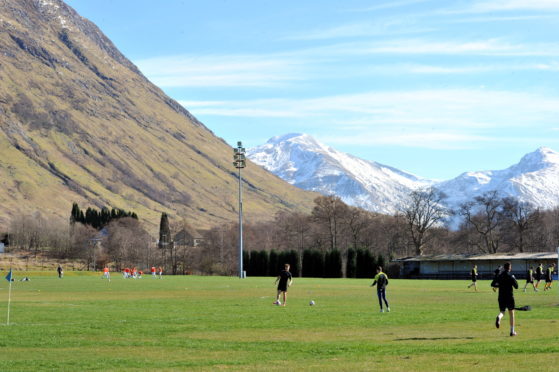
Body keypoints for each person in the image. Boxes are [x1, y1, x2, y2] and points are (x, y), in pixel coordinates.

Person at [491, 262, 518, 336]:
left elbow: (493, 284)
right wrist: (514, 278)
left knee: (502, 311)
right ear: (509, 268)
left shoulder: (500, 275)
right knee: (511, 313)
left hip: (501, 296)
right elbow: (516, 286)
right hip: (509, 296)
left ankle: (499, 317)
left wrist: (499, 284)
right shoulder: (510, 276)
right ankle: (512, 331)